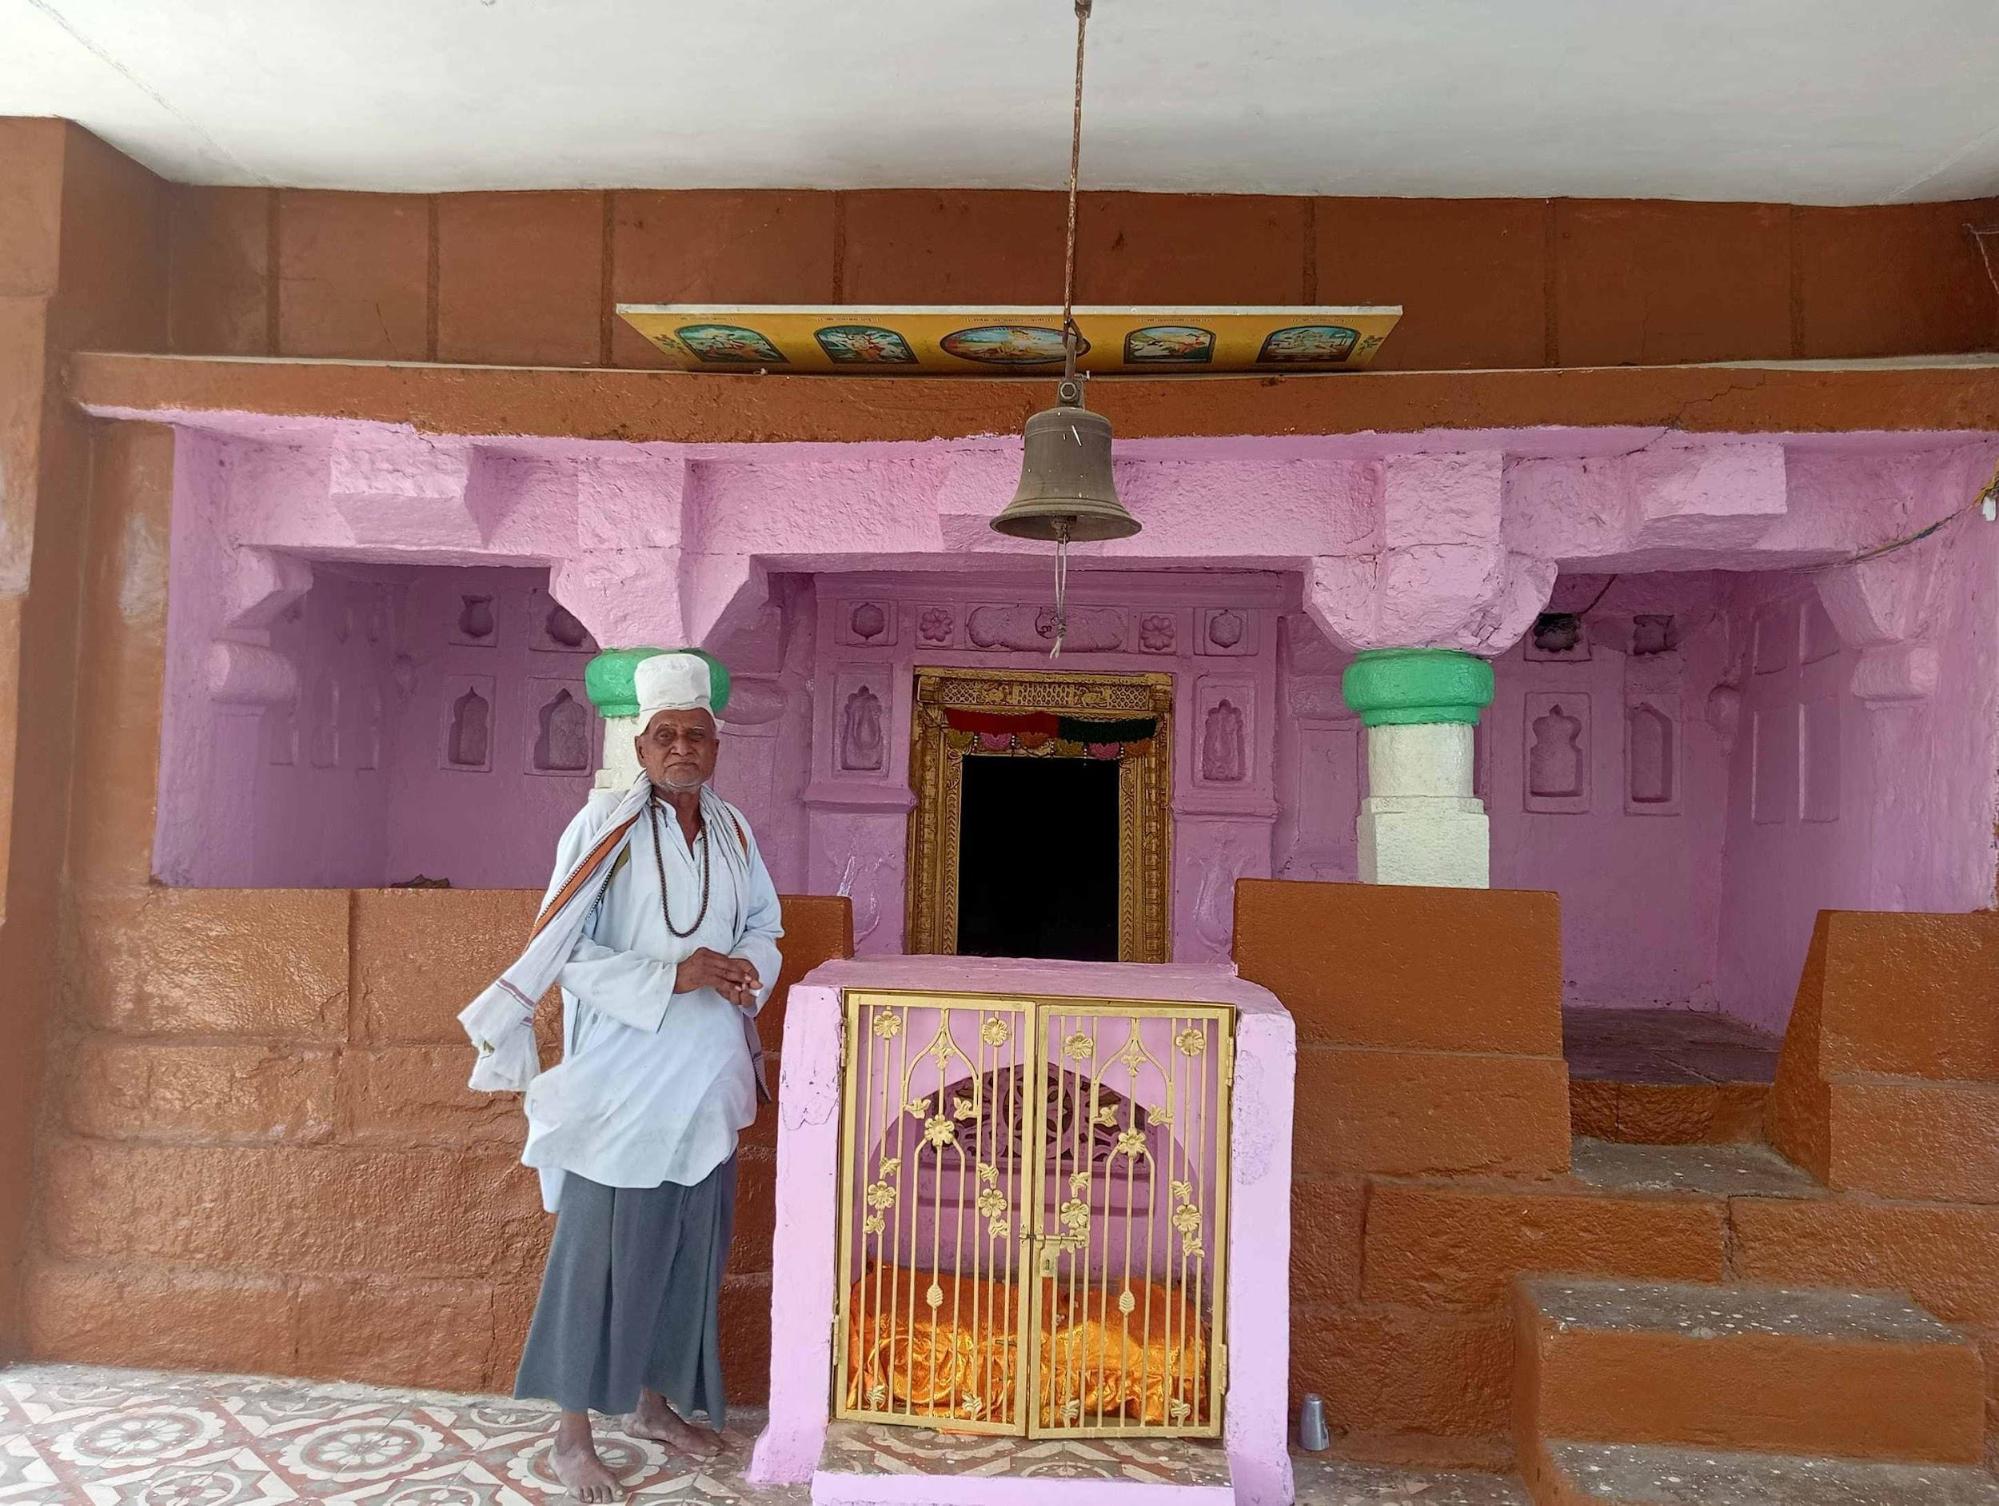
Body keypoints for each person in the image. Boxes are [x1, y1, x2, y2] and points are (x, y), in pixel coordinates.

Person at [461, 650, 782, 1503]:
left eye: (695, 735)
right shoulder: (602, 825)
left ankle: (652, 1405)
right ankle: (571, 1436)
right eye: (665, 735)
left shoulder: (735, 830)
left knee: (684, 1253)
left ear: (715, 746)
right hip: (622, 1080)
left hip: (707, 1074)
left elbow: (765, 925)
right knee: (597, 1258)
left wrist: (750, 967)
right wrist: (673, 975)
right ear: (640, 747)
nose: (681, 748)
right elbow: (562, 950)